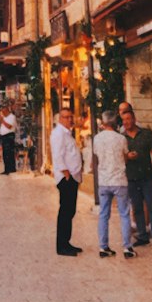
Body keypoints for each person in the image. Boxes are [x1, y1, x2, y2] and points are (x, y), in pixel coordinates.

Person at [119, 102, 152, 250]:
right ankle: (143, 236)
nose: (126, 123)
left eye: (128, 119)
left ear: (134, 119)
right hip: (131, 178)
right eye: (124, 120)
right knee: (137, 208)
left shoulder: (145, 134)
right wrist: (128, 157)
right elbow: (120, 158)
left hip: (146, 177)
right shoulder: (121, 138)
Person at [92, 111, 135, 259]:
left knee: (103, 214)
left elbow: (97, 156)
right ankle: (127, 247)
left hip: (104, 181)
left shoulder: (97, 139)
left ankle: (103, 247)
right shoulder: (121, 138)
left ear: (103, 123)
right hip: (119, 180)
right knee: (124, 214)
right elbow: (125, 157)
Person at [49, 109, 83, 256]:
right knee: (65, 211)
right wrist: (65, 173)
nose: (70, 119)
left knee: (70, 211)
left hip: (73, 177)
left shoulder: (67, 133)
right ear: (60, 119)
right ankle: (61, 246)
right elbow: (57, 155)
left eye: (71, 116)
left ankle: (66, 242)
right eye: (66, 117)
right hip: (66, 178)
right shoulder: (58, 134)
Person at [0, 102, 18, 175]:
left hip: (9, 136)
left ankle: (8, 169)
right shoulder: (4, 117)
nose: (2, 111)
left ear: (6, 109)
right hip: (4, 136)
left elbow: (9, 126)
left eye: (3, 110)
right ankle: (10, 168)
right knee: (7, 153)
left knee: (7, 153)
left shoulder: (12, 117)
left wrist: (2, 121)